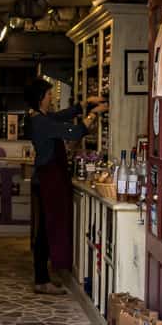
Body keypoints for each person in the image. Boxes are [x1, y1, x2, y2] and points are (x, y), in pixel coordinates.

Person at [25, 78, 107, 294]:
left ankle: (42, 278)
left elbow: (63, 115)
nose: (51, 97)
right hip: (48, 180)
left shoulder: (42, 117)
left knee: (45, 230)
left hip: (47, 180)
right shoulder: (41, 122)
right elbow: (74, 132)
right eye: (49, 94)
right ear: (41, 97)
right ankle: (41, 280)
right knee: (47, 230)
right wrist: (93, 114)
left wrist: (85, 104)